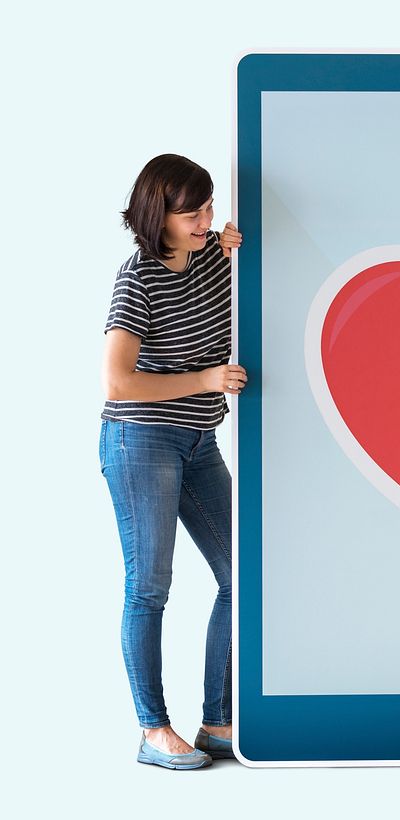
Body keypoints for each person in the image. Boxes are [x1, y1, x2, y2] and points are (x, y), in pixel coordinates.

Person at [100, 154, 246, 769]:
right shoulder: (137, 280)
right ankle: (153, 730)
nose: (207, 218)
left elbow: (234, 251)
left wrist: (232, 242)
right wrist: (207, 378)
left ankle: (217, 720)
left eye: (210, 206)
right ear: (160, 215)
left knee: (245, 576)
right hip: (141, 442)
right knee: (150, 588)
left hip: (198, 442)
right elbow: (117, 383)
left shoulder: (212, 252)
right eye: (195, 211)